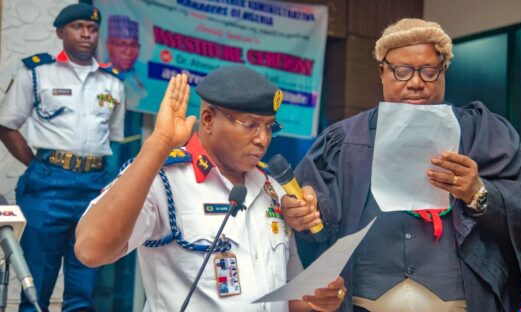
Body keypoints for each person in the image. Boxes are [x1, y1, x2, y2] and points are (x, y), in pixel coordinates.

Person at [281, 18, 521, 312]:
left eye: (428, 72)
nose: (415, 82)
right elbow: (318, 222)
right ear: (382, 72)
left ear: (443, 72)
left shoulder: (482, 133)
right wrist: (306, 214)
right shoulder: (344, 140)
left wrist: (477, 192)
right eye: (402, 71)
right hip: (363, 301)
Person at [75, 67, 345, 311]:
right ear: (207, 119)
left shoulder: (272, 190)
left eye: (269, 127)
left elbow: (287, 299)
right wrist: (159, 143)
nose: (263, 139)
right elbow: (91, 250)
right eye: (250, 125)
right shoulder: (164, 179)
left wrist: (319, 299)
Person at [0, 3, 125, 311]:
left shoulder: (113, 81)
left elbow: (113, 138)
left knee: (85, 284)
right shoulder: (36, 71)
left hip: (95, 185)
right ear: (60, 32)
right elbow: (6, 125)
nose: (86, 34)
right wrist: (37, 165)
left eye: (93, 29)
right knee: (35, 284)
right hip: (47, 186)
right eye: (78, 27)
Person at [105, 15, 146, 109]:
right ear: (109, 45)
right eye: (121, 44)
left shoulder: (144, 71)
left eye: (133, 45)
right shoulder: (99, 73)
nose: (128, 52)